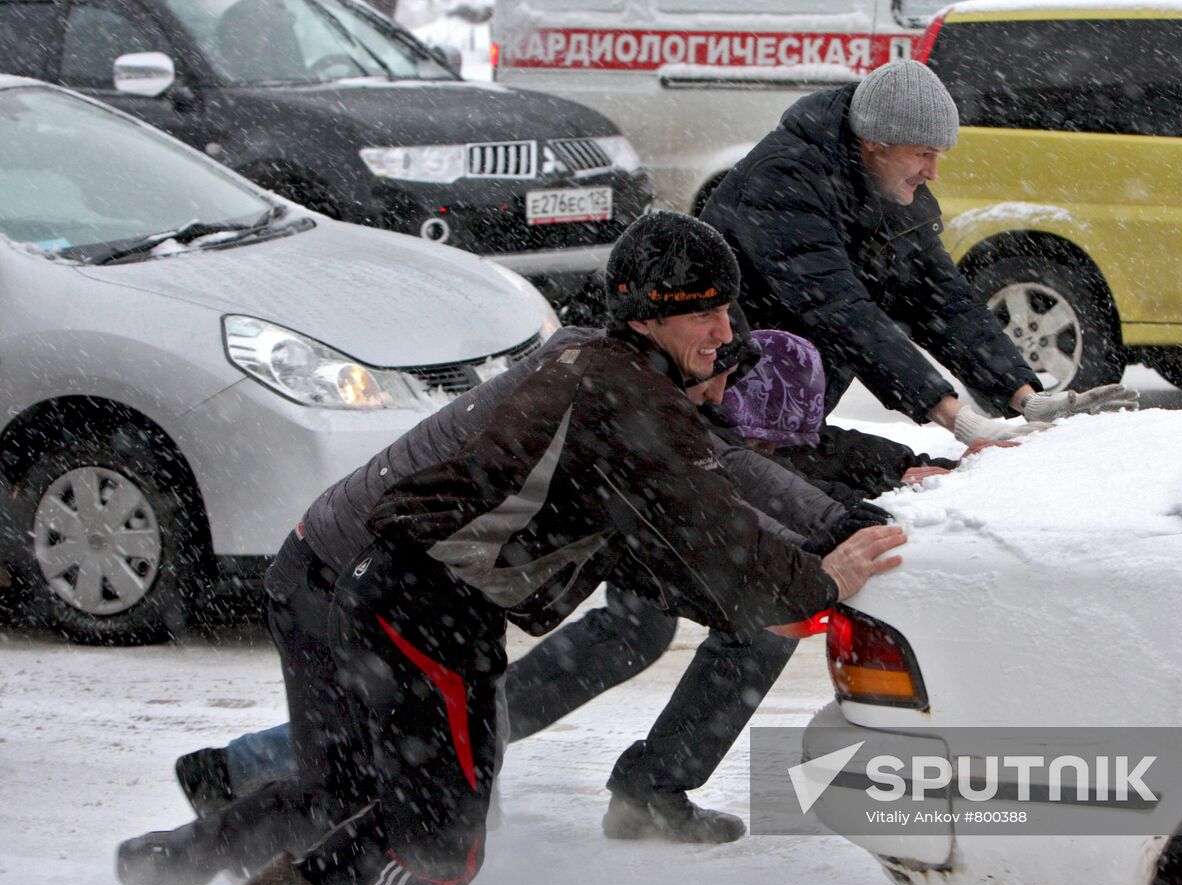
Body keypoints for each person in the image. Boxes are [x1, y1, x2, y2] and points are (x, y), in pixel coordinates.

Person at [115, 212, 906, 885]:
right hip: (370, 583)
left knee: (388, 810)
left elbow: (713, 511)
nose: (722, 336)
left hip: (387, 582)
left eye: (729, 315)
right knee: (429, 836)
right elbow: (721, 520)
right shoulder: (625, 400)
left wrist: (846, 515)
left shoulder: (615, 376)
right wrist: (819, 575)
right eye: (708, 314)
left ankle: (184, 875)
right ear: (651, 315)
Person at [166, 324, 880, 850]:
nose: (757, 454)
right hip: (373, 579)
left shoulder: (656, 382)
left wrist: (856, 504)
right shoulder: (631, 423)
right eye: (749, 434)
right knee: (390, 798)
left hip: (413, 583)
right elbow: (717, 515)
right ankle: (227, 806)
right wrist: (807, 566)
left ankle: (224, 816)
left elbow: (757, 482)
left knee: (404, 785)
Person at [700, 60, 1138, 445]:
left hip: (790, 403)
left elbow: (942, 300)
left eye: (939, 155)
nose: (933, 171)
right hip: (724, 391)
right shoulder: (782, 180)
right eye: (923, 154)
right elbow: (839, 310)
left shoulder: (891, 187)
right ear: (876, 142)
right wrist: (955, 416)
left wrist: (1024, 396)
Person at [719, 329, 1012, 501]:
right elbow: (793, 496)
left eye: (779, 443)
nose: (769, 452)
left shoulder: (796, 442)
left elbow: (841, 452)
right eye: (760, 443)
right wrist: (885, 489)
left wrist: (934, 467)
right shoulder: (709, 450)